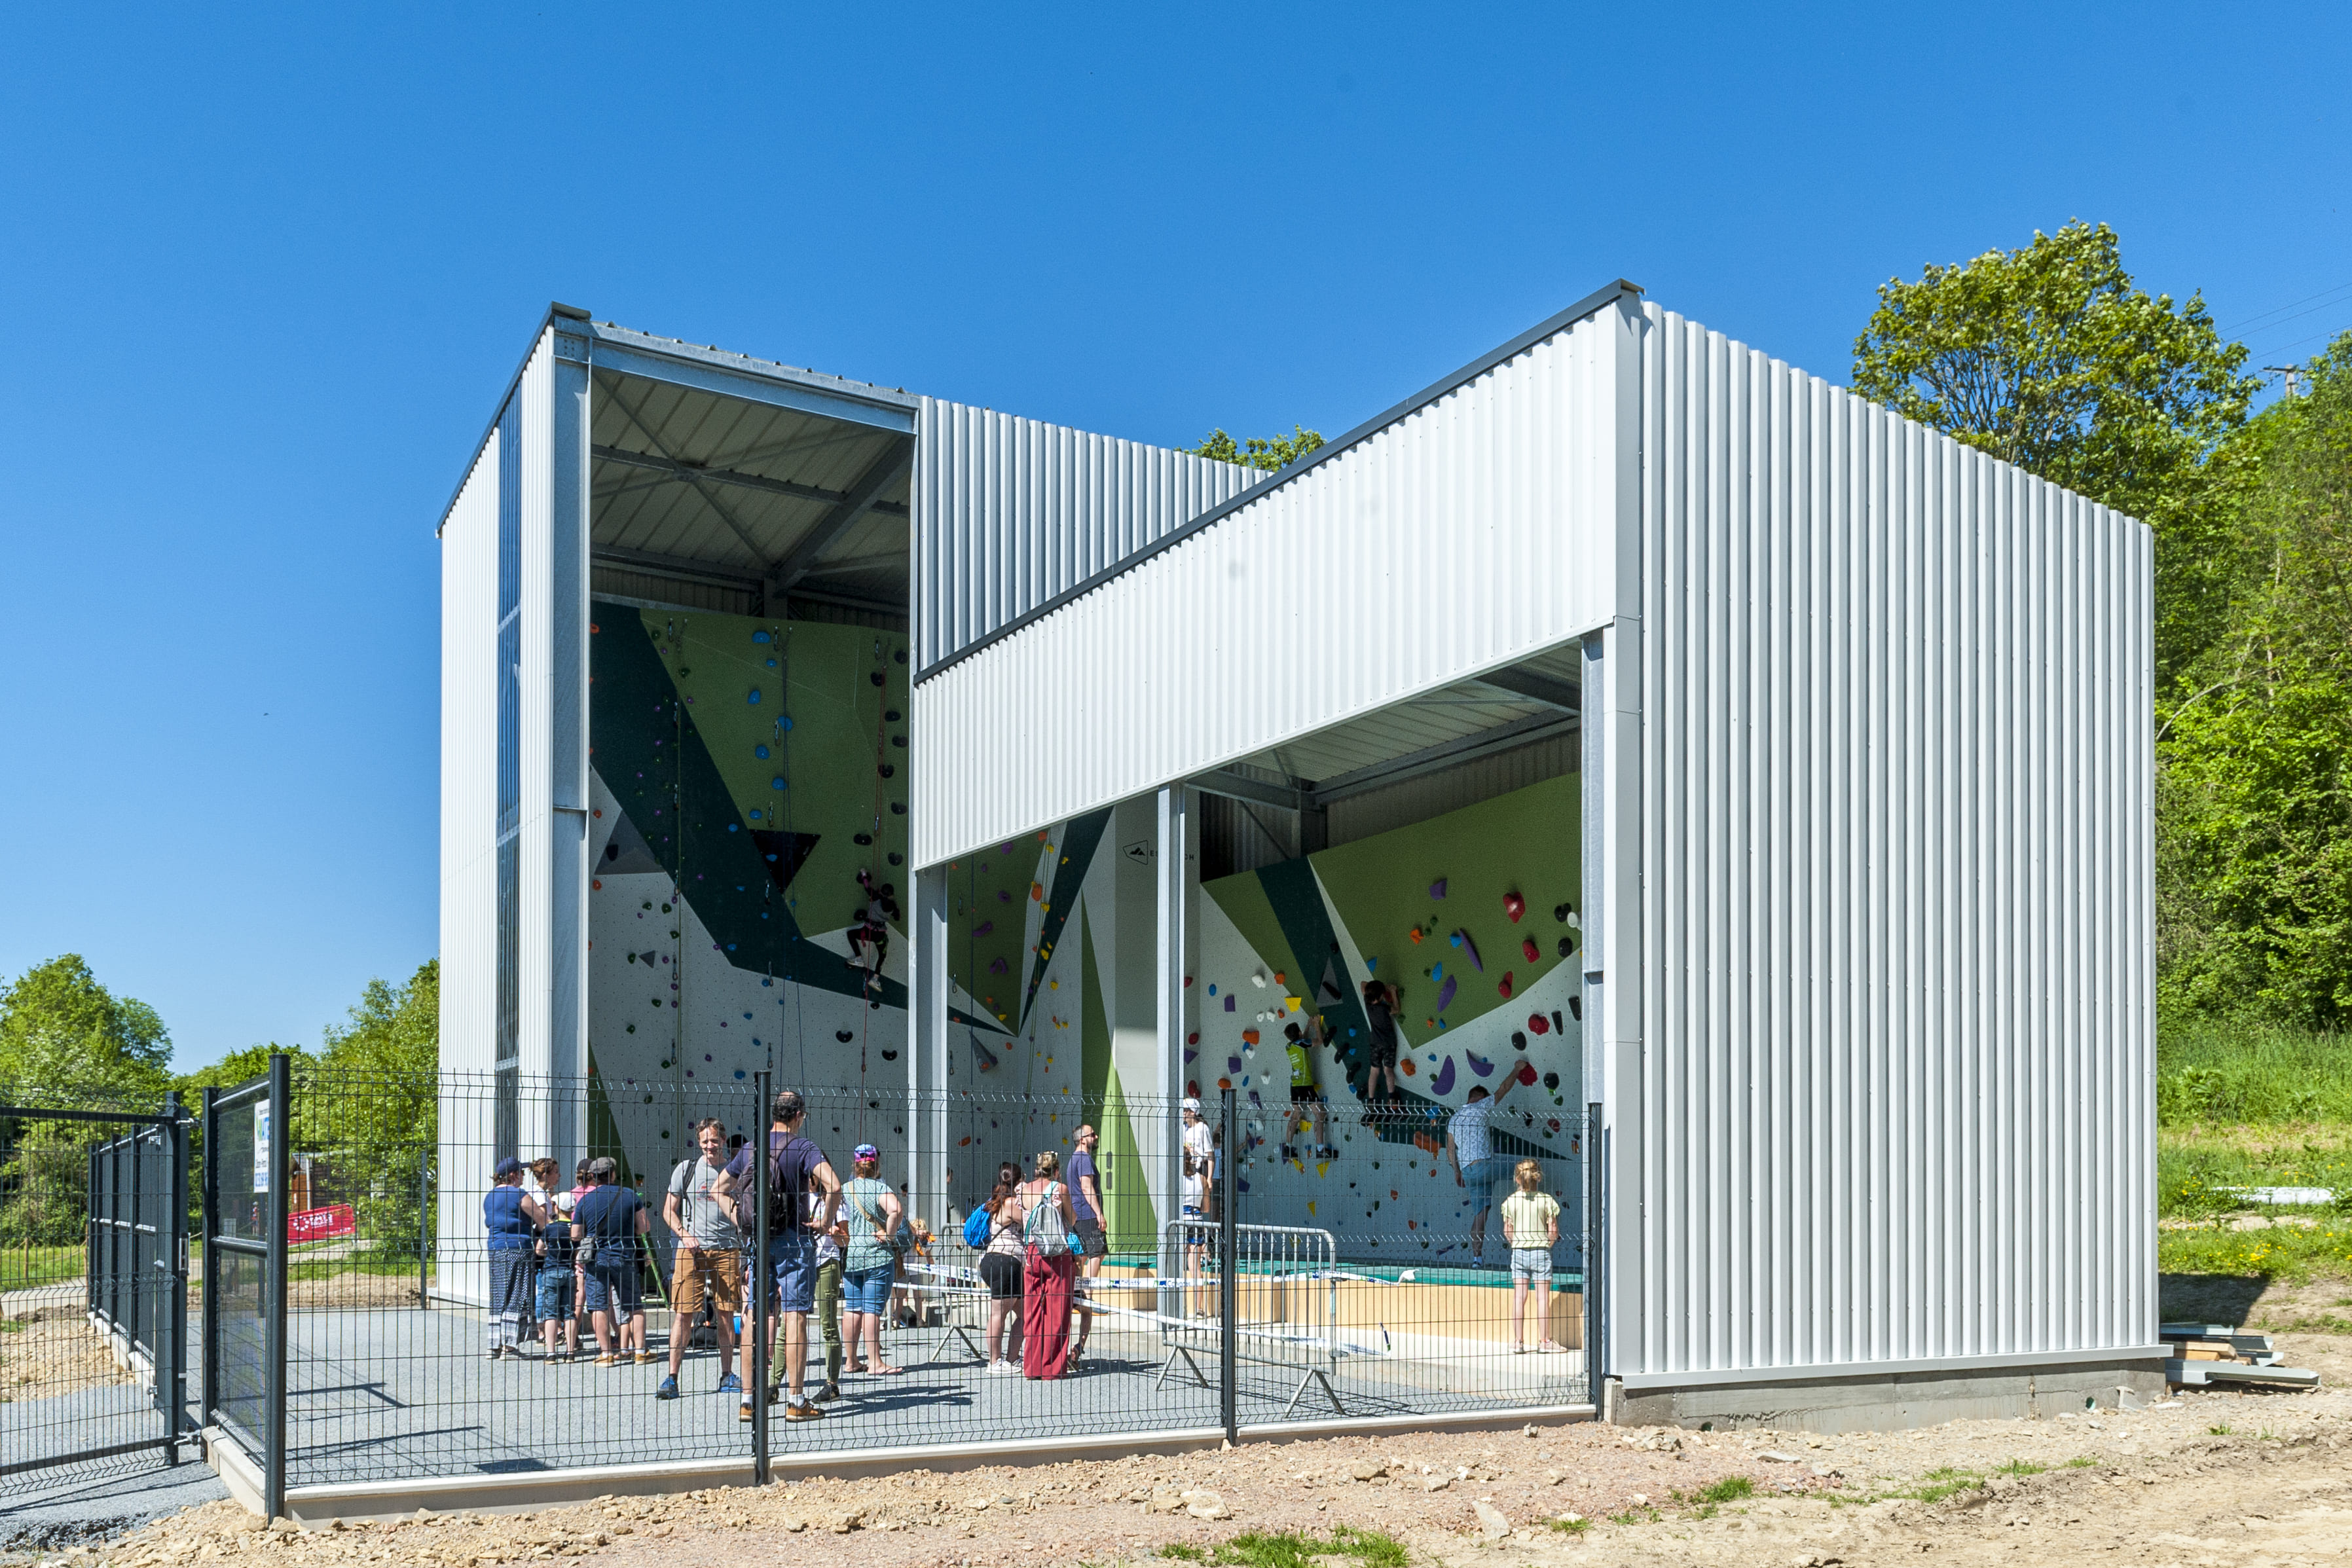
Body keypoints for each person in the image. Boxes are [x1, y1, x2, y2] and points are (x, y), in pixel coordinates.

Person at [712, 1088, 840, 1423]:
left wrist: (739, 1215)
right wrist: (825, 1221)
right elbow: (835, 1186)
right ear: (799, 1116)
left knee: (755, 1314)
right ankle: (796, 1402)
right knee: (795, 1317)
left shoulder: (752, 1147)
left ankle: (749, 1400)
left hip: (759, 1241)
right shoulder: (804, 1147)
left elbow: (718, 1189)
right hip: (794, 1240)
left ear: (774, 1115)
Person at [657, 1119, 743, 1400]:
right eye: (705, 1141)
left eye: (714, 1141)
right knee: (683, 1313)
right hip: (691, 1251)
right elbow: (669, 1210)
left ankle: (727, 1374)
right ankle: (671, 1378)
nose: (709, 1146)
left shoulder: (737, 1170)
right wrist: (684, 1235)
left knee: (725, 1314)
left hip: (728, 1248)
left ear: (723, 1140)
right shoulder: (687, 1169)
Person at [571, 1157, 652, 1365]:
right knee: (634, 1305)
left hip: (596, 1260)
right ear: (614, 1174)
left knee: (599, 1307)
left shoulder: (585, 1201)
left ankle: (606, 1354)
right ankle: (640, 1351)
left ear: (592, 1177)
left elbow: (576, 1234)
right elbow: (644, 1228)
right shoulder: (629, 1196)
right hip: (624, 1256)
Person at [838, 1143, 906, 1379]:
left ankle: (851, 1360)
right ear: (876, 1164)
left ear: (855, 1164)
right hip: (876, 1254)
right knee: (872, 1310)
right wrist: (889, 1234)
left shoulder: (845, 1189)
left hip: (851, 1255)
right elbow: (896, 1210)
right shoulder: (879, 1188)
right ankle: (875, 1361)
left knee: (853, 1308)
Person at [1447, 1072, 1527, 1264]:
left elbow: (1450, 1150)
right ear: (1481, 1097)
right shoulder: (1481, 1106)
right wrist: (1517, 1068)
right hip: (1485, 1166)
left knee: (1480, 1213)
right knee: (1527, 1168)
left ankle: (1477, 1258)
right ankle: (1527, 1205)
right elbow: (1504, 1089)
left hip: (1468, 1172)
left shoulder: (1454, 1119)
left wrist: (1457, 1172)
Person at [1016, 1150, 1080, 1380]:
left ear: (1036, 1169)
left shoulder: (1022, 1189)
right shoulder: (1059, 1189)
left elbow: (1021, 1217)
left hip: (1032, 1253)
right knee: (1057, 1312)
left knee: (1032, 1312)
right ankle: (1052, 1368)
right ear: (1056, 1170)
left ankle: (1031, 1367)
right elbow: (1072, 1219)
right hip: (1056, 1254)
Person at [1501, 1159, 1564, 1353]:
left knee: (1519, 1298)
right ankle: (1545, 1342)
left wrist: (1517, 1243)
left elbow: (1507, 1231)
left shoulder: (1510, 1202)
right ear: (1538, 1177)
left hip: (1519, 1251)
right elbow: (1553, 1231)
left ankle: (1518, 1341)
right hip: (1541, 1252)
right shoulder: (1547, 1201)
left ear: (1517, 1179)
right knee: (1542, 1299)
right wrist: (1547, 1244)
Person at [483, 1157, 543, 1359]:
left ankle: (494, 1345)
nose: (524, 1178)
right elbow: (541, 1218)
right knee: (517, 1294)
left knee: (499, 1294)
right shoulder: (519, 1194)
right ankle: (510, 1346)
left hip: (496, 1247)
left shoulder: (490, 1196)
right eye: (522, 1173)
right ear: (514, 1175)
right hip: (518, 1247)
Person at [1064, 1125, 1106, 1362]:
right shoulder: (1084, 1159)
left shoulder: (1074, 1159)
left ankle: (1082, 1287)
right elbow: (1087, 1187)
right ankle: (1086, 1288)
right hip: (1087, 1215)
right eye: (1092, 1134)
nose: (1095, 1137)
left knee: (1085, 1255)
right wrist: (1099, 1213)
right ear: (1082, 1139)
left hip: (1078, 1216)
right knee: (1097, 1253)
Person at [978, 1178, 1025, 1374]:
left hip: (993, 1261)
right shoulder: (1010, 1203)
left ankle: (1011, 1359)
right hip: (1005, 1263)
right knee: (998, 1314)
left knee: (1025, 1314)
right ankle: (995, 1362)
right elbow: (1031, 1221)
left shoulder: (995, 1202)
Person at [535, 1181, 580, 1362]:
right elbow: (578, 1253)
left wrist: (549, 1252)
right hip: (569, 1272)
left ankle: (551, 1352)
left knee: (551, 1313)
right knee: (569, 1312)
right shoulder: (575, 1230)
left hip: (551, 1271)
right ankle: (570, 1352)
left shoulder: (550, 1228)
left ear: (557, 1207)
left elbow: (539, 1250)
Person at [811, 1187, 848, 1402]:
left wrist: (835, 1233)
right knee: (786, 1326)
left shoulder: (835, 1200)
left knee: (828, 1324)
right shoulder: (794, 1192)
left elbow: (845, 1240)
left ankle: (831, 1384)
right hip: (800, 1262)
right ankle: (775, 1385)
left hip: (826, 1261)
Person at [1281, 1020, 1337, 1160]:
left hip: (1294, 1086)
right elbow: (1319, 1041)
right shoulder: (1301, 1043)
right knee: (1320, 1113)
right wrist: (1317, 1026)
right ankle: (1320, 1149)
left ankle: (1287, 1147)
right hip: (1305, 1085)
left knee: (1296, 1114)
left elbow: (1302, 1040)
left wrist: (1307, 1026)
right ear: (1299, 1033)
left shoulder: (1289, 1046)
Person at [1179, 1099, 1214, 1317]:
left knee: (1190, 1263)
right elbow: (1206, 1209)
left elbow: (1210, 1156)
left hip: (1196, 1187)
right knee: (1193, 1265)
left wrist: (1209, 1180)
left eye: (1186, 1110)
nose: (1183, 1113)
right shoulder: (1183, 1129)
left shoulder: (1203, 1129)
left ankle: (1194, 1306)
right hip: (1196, 1209)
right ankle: (1196, 1307)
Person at [1360, 979, 1402, 1112]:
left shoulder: (1368, 1004)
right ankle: (1392, 1097)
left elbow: (1362, 984)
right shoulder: (1384, 1008)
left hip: (1375, 1043)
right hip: (1389, 1043)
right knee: (1388, 1070)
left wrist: (1378, 989)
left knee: (1374, 1071)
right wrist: (1393, 992)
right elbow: (1397, 1009)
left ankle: (1371, 1100)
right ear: (1381, 997)